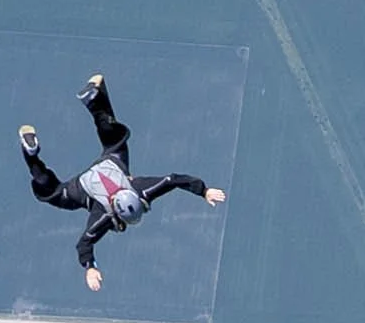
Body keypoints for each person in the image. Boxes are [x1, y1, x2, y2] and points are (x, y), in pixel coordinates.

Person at [21, 75, 226, 291]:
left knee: (114, 138)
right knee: (51, 192)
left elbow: (172, 180)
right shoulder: (104, 215)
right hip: (80, 189)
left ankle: (94, 100)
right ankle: (31, 153)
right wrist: (90, 267)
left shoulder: (142, 191)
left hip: (111, 162)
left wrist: (204, 191)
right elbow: (84, 243)